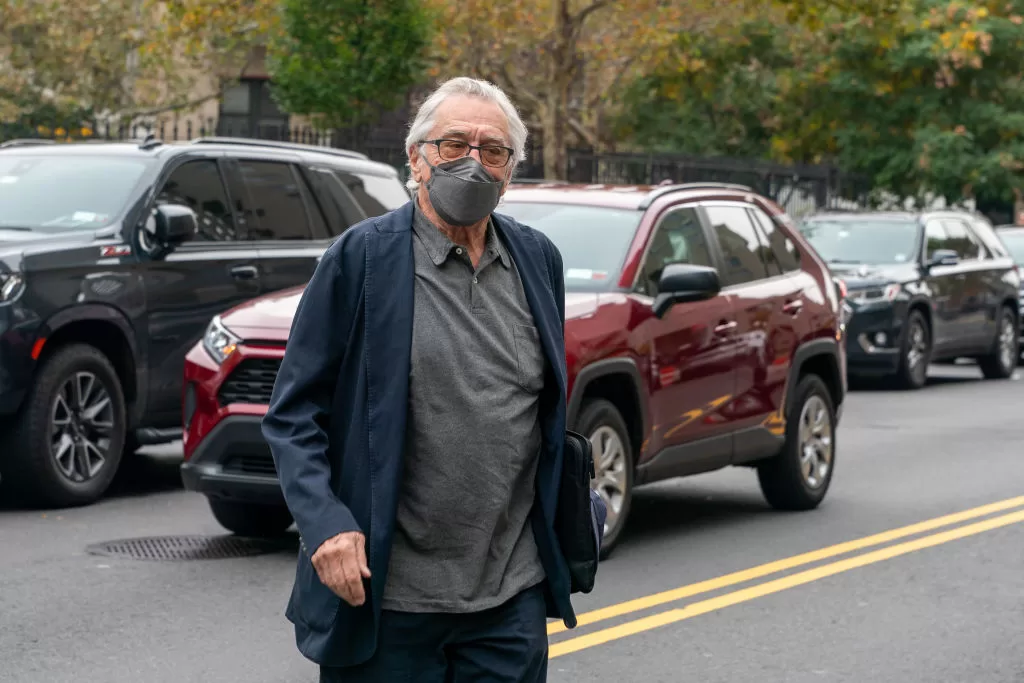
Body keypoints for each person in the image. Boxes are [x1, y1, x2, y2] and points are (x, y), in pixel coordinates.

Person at [262, 76, 583, 682]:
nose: (473, 162)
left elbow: (541, 411)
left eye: (493, 151)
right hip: (389, 599)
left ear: (510, 170)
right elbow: (293, 415)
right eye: (454, 144)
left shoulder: (538, 260)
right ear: (416, 158)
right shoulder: (361, 259)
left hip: (510, 596)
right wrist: (325, 524)